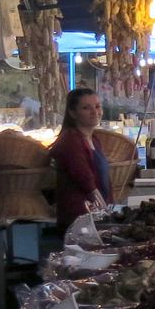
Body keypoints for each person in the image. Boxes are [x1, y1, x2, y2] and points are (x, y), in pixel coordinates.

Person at [50, 88, 112, 231]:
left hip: (95, 217)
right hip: (79, 220)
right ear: (72, 113)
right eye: (86, 108)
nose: (95, 112)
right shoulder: (70, 141)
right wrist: (104, 211)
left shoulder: (94, 140)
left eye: (97, 106)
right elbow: (84, 178)